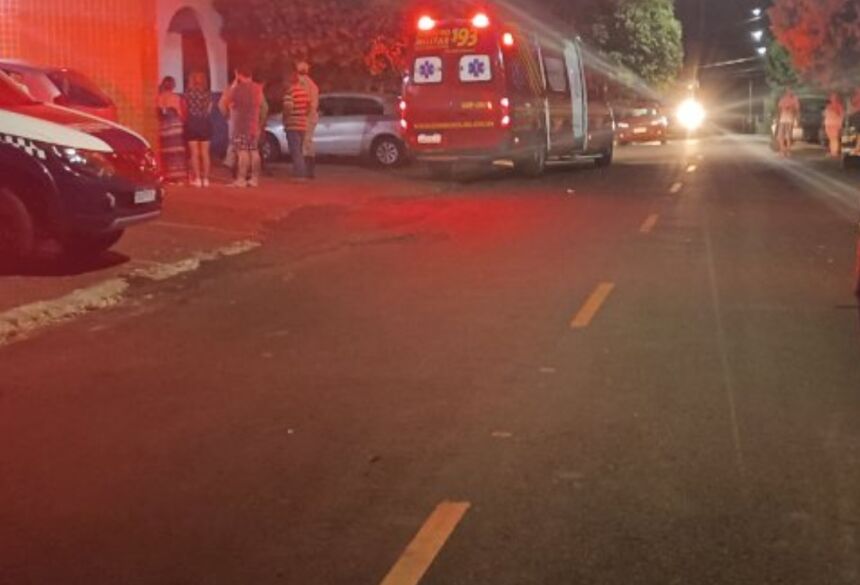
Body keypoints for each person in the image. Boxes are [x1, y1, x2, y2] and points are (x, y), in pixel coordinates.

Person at [219, 66, 264, 188]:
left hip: (240, 125)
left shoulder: (237, 89)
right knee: (254, 151)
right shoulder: (257, 88)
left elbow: (223, 104)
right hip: (254, 124)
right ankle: (254, 179)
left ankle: (241, 179)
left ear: (238, 74)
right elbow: (261, 105)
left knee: (242, 152)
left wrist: (228, 115)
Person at [156, 76, 188, 184]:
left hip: (165, 126)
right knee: (177, 151)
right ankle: (178, 176)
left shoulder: (159, 97)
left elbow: (159, 112)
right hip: (176, 126)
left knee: (167, 152)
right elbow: (181, 113)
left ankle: (169, 176)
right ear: (173, 86)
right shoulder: (176, 98)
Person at [184, 70, 213, 187]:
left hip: (192, 122)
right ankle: (206, 179)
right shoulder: (208, 93)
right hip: (204, 122)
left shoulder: (188, 93)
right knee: (205, 153)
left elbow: (185, 107)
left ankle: (197, 179)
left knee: (194, 153)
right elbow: (209, 110)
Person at [282, 65, 311, 180]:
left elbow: (287, 109)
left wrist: (285, 119)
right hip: (302, 124)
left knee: (295, 150)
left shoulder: (290, 93)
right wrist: (303, 115)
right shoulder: (305, 93)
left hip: (293, 125)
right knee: (299, 149)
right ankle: (300, 171)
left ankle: (299, 174)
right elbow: (309, 108)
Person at [297, 61, 320, 179]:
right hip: (310, 117)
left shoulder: (303, 83)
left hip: (306, 117)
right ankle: (309, 171)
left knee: (305, 143)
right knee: (308, 142)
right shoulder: (313, 85)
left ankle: (306, 171)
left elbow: (307, 103)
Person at [776, 88, 800, 157]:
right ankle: (782, 151)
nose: (789, 92)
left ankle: (788, 151)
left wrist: (791, 108)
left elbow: (797, 109)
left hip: (789, 119)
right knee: (780, 136)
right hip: (782, 119)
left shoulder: (794, 99)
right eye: (787, 90)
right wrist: (778, 117)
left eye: (790, 90)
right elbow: (779, 109)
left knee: (788, 136)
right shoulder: (783, 99)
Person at [823, 92, 845, 159]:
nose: (831, 98)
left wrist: (840, 122)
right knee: (831, 139)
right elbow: (825, 114)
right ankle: (832, 151)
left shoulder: (838, 105)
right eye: (831, 97)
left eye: (833, 97)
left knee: (834, 138)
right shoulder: (828, 105)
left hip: (834, 124)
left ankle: (834, 152)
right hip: (828, 123)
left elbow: (841, 114)